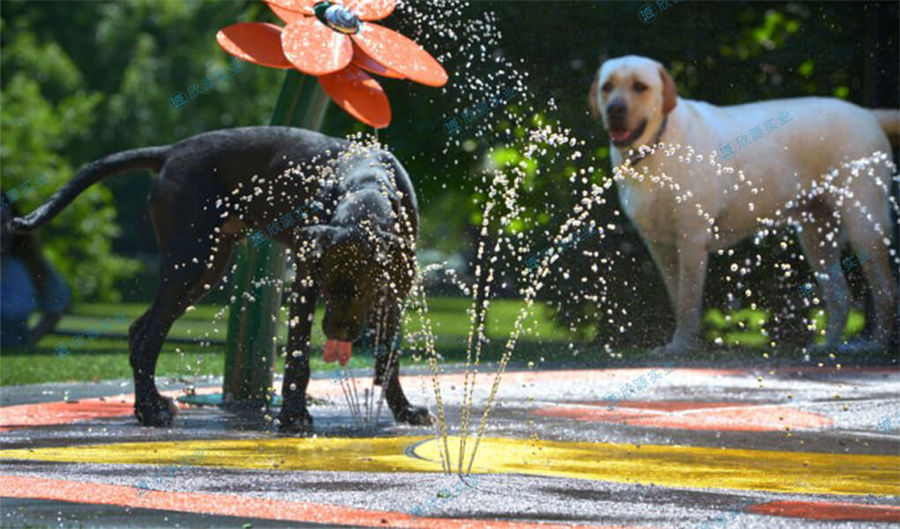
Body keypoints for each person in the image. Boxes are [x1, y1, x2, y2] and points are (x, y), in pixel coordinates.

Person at [1, 192, 70, 347]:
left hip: (14, 348)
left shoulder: (28, 265)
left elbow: (59, 303)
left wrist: (31, 340)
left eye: (3, 223)